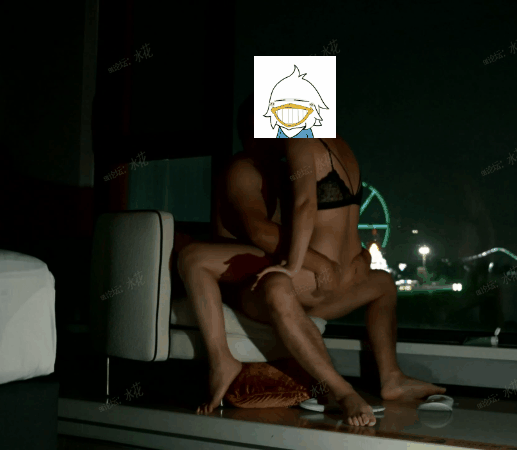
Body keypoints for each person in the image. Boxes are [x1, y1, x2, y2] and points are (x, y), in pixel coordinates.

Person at [176, 93, 446, 426]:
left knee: (383, 284)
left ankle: (391, 377)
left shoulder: (287, 167)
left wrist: (358, 255)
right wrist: (318, 264)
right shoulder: (243, 169)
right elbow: (261, 232)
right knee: (267, 282)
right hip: (245, 278)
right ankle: (337, 389)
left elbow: (323, 221)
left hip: (287, 270)